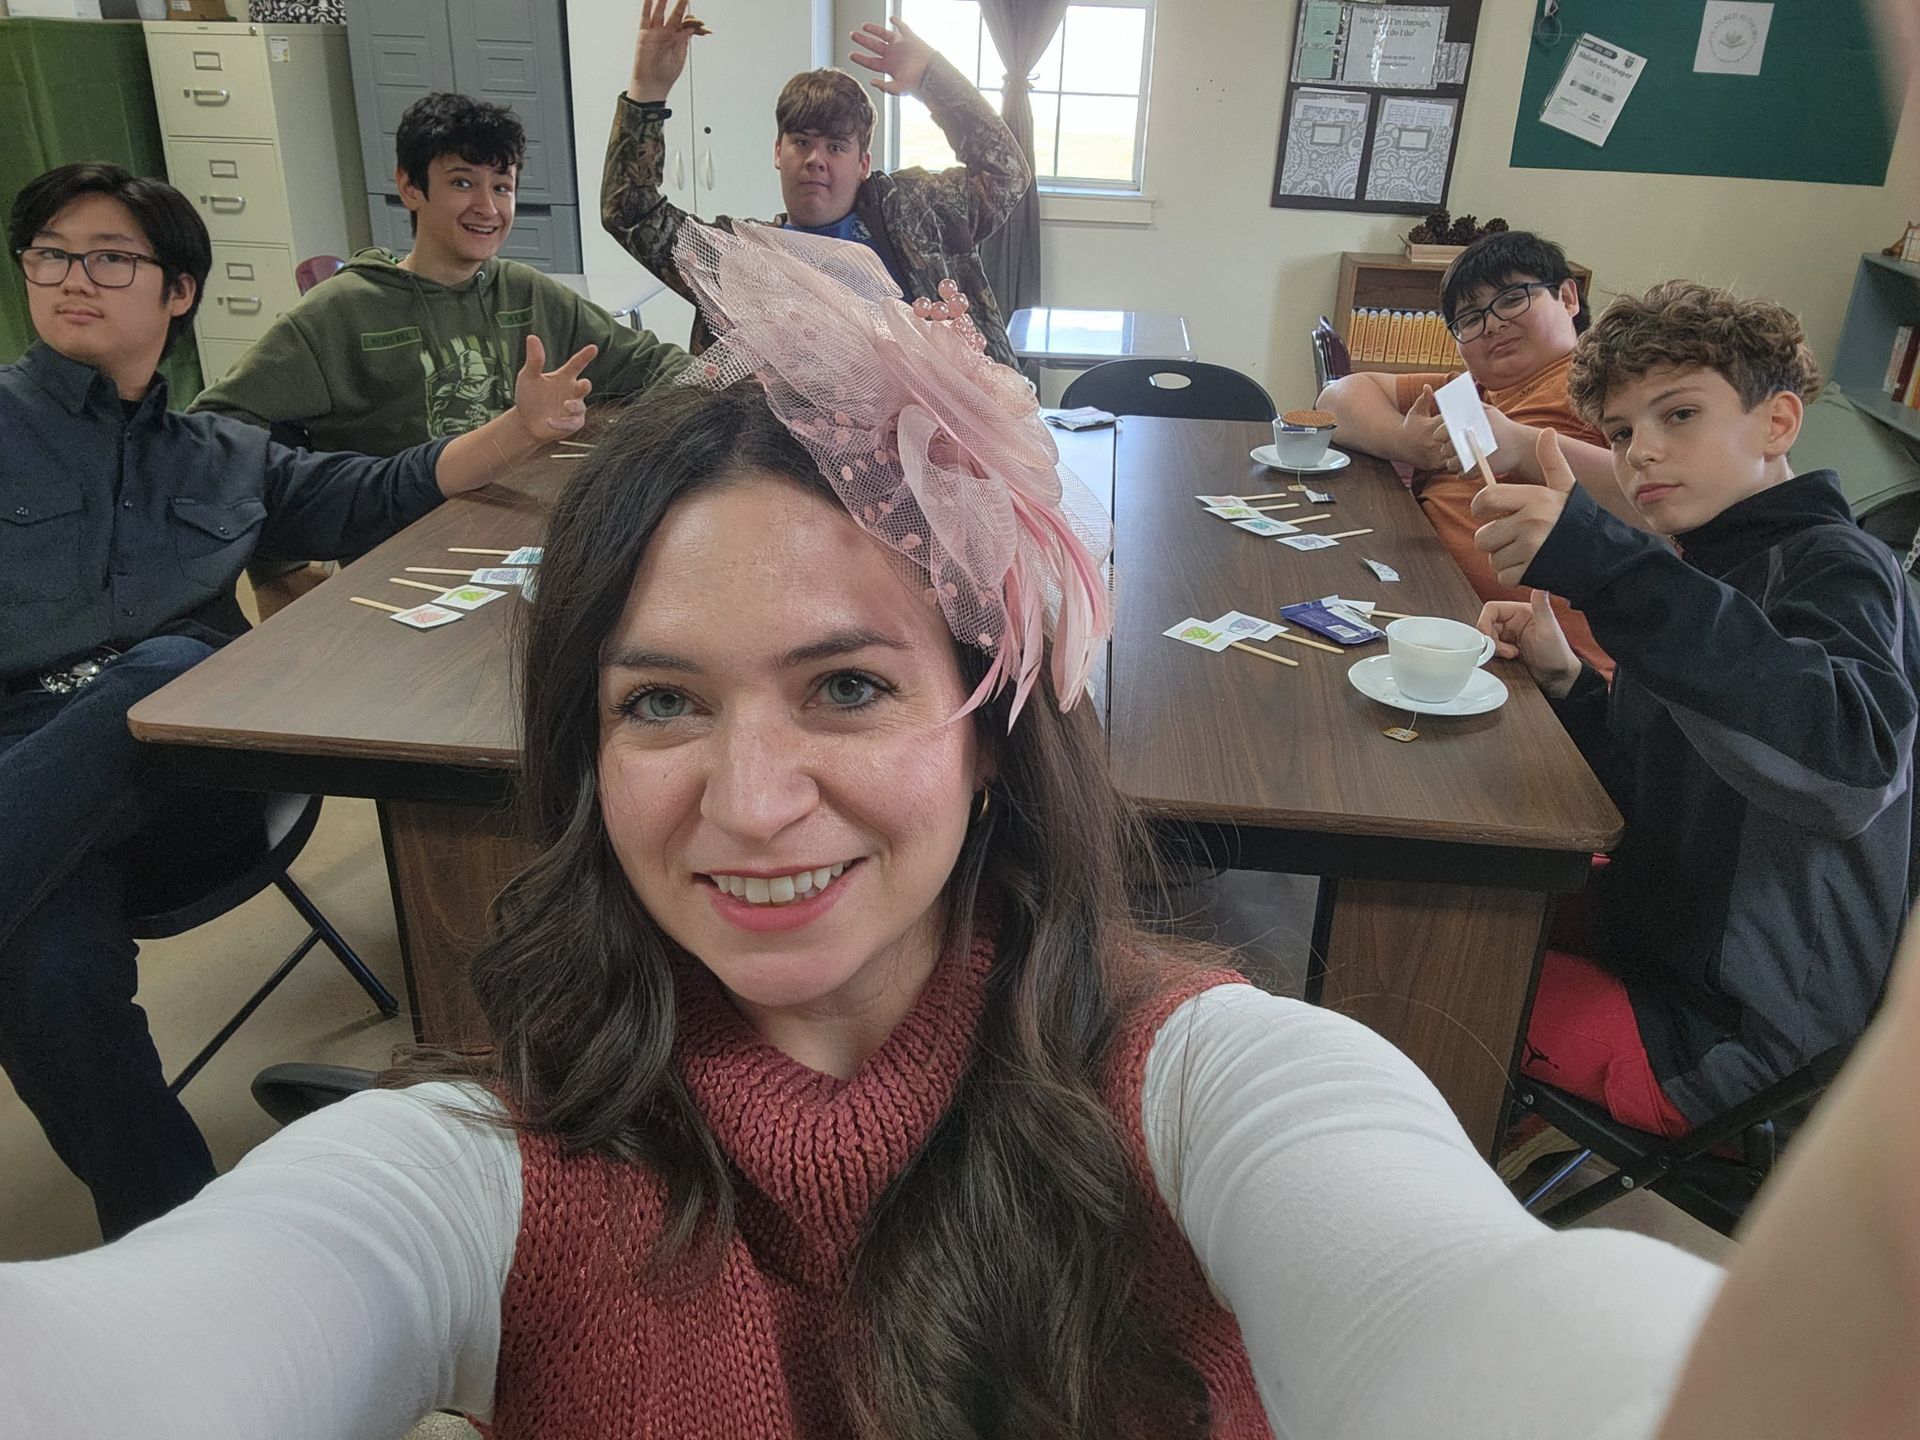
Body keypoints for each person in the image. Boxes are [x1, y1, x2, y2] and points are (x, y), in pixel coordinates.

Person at [4, 225, 1919, 1440]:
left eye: (847, 687)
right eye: (659, 699)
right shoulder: (454, 1171)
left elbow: (1503, 1323)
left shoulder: (1221, 1088)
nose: (748, 804)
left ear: (996, 726)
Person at [0, 162, 597, 1242]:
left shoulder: (227, 455)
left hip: (197, 777)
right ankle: (174, 1235)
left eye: (109, 257)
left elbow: (377, 494)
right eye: (49, 253)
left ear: (177, 291)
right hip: (32, 788)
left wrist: (516, 435)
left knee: (164, 669)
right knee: (45, 963)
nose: (72, 276)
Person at [1473, 281, 1919, 1138]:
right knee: (1432, 894)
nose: (1641, 452)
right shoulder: (1703, 576)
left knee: (1423, 971)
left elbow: (1849, 767)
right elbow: (1654, 783)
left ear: (1779, 424)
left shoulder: (1840, 567)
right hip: (1661, 929)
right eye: (1621, 432)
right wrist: (1569, 679)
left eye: (1678, 415)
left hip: (1738, 1037)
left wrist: (1613, 568)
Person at [191, 91, 688, 456]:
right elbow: (212, 430)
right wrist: (292, 544)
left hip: (512, 527)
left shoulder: (526, 294)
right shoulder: (340, 313)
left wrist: (744, 388)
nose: (487, 207)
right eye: (462, 182)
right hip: (397, 548)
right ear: (409, 187)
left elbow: (658, 366)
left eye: (502, 186)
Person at [601, 0, 1030, 368]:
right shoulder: (738, 259)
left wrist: (933, 80)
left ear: (863, 163)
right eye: (801, 142)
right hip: (785, 460)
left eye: (836, 147)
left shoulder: (917, 215)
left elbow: (1005, 173)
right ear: (777, 152)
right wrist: (647, 91)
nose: (814, 160)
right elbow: (631, 213)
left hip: (946, 445)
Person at [1318, 230, 1635, 678]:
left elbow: (1652, 501)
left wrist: (1522, 445)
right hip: (1425, 606)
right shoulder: (1471, 391)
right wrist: (1406, 443)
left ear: (1567, 297)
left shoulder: (1606, 387)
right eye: (1469, 318)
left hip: (1539, 662)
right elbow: (1337, 396)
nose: (1491, 324)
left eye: (1511, 299)